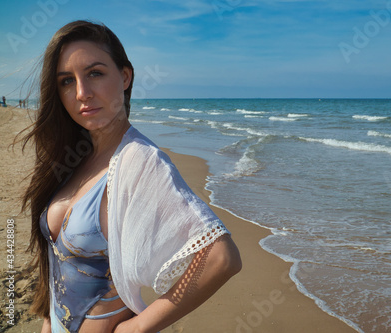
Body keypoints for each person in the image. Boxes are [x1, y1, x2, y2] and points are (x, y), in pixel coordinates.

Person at [18, 20, 242, 333]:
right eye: (67, 81)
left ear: (125, 77)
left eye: (95, 73)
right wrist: (46, 322)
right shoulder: (76, 157)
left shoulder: (139, 160)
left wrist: (136, 328)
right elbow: (58, 268)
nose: (82, 92)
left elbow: (222, 258)